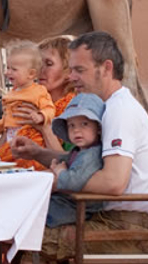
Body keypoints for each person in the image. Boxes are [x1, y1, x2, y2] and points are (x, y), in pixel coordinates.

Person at [11, 31, 148, 264]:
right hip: (100, 217)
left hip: (125, 228)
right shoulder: (106, 107)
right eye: (71, 70)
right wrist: (38, 153)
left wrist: (58, 180)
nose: (72, 77)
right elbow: (83, 163)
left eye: (79, 70)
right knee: (25, 236)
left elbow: (113, 182)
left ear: (106, 68)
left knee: (29, 243)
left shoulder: (119, 111)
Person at [0, 36, 78, 168]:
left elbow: (71, 162)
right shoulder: (21, 99)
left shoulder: (75, 110)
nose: (40, 70)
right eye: (38, 64)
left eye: (48, 64)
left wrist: (44, 127)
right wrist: (9, 122)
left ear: (69, 72)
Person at [0, 41, 56, 170]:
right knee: (3, 159)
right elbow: (9, 116)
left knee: (27, 160)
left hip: (30, 136)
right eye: (7, 68)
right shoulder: (12, 92)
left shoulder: (38, 91)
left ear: (30, 74)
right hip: (11, 136)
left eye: (13, 69)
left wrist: (41, 116)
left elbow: (49, 108)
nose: (8, 72)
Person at [45, 93, 105, 228]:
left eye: (84, 124)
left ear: (99, 128)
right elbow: (69, 161)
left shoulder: (92, 154)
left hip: (75, 208)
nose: (77, 130)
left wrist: (60, 172)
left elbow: (73, 181)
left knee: (34, 212)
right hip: (66, 203)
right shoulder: (80, 150)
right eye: (71, 125)